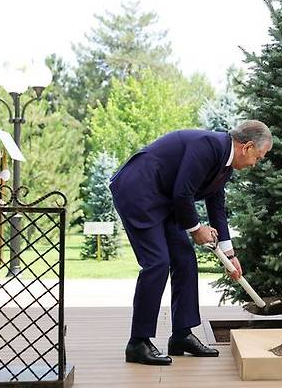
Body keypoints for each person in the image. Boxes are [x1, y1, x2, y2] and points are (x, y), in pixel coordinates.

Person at [110, 120, 273, 365]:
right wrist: (197, 230)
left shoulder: (224, 164)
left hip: (166, 201)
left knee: (185, 260)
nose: (255, 164)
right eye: (258, 157)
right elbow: (183, 192)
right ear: (246, 147)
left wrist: (230, 255)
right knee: (157, 263)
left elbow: (216, 206)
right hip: (139, 191)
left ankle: (182, 335)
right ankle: (138, 343)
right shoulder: (208, 146)